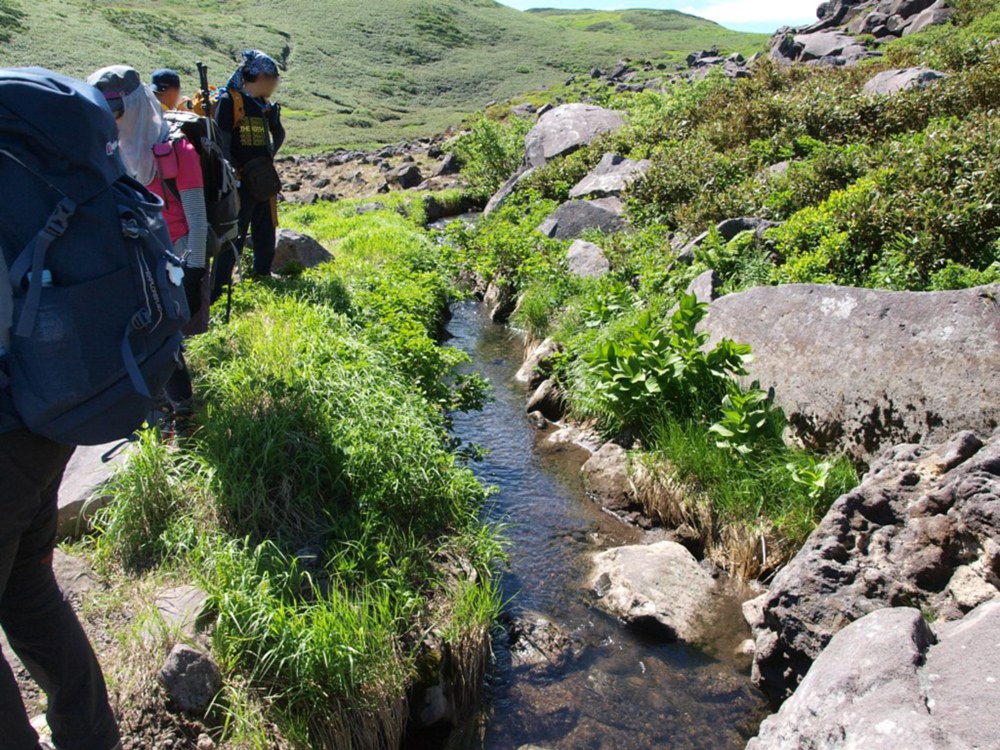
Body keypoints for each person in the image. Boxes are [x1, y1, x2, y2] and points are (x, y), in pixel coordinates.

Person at [0, 72, 125, 750]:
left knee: (26, 589)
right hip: (49, 411)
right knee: (28, 589)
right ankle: (91, 737)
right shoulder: (26, 166)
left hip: (8, 425)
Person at [89, 66, 209, 433]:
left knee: (165, 341)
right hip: (130, 259)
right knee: (140, 340)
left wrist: (194, 270)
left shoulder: (176, 148)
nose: (111, 120)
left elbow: (197, 217)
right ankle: (157, 412)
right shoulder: (109, 152)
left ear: (135, 106)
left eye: (116, 110)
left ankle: (183, 417)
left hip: (173, 258)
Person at [212, 50, 285, 301]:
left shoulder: (262, 104)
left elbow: (278, 136)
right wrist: (231, 171)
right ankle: (220, 291)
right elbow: (222, 140)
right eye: (274, 77)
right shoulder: (230, 101)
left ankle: (262, 274)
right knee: (235, 234)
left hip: (262, 180)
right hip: (240, 182)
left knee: (266, 228)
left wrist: (273, 138)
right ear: (261, 76)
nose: (275, 84)